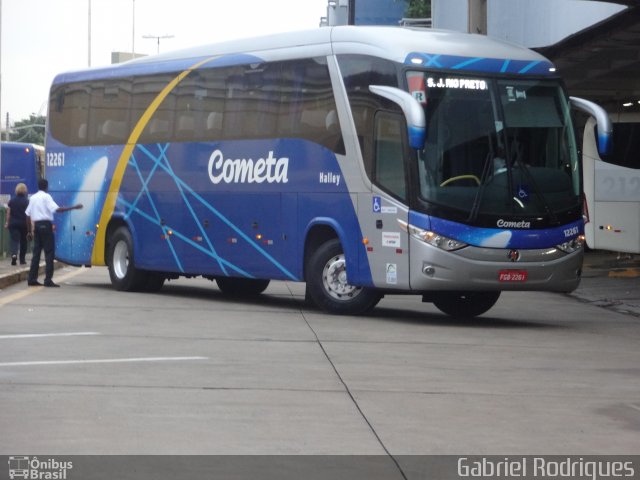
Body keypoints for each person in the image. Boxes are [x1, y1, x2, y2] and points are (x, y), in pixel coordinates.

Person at [25, 178, 83, 287]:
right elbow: (57, 209)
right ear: (46, 187)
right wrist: (74, 207)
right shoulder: (47, 197)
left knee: (36, 254)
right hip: (46, 226)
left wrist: (29, 231)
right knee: (49, 253)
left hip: (37, 226)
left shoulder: (32, 198)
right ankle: (48, 280)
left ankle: (32, 279)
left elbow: (27, 215)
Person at [4, 183, 30, 266]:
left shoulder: (11, 201)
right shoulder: (27, 201)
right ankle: (22, 260)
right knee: (23, 241)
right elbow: (28, 215)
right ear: (25, 190)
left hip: (13, 224)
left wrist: (7, 223)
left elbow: (8, 213)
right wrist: (31, 227)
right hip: (24, 224)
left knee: (14, 240)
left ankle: (14, 255)